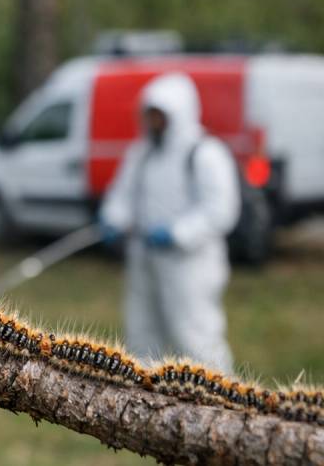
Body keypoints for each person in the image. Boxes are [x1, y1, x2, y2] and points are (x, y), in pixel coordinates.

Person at [99, 72, 240, 372]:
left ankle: (219, 403)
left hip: (190, 265)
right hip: (144, 258)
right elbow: (122, 195)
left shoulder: (205, 153)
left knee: (195, 336)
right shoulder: (142, 153)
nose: (153, 123)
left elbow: (221, 210)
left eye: (159, 116)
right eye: (149, 115)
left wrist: (177, 234)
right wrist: (113, 219)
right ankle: (143, 403)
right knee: (141, 333)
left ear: (179, 114)